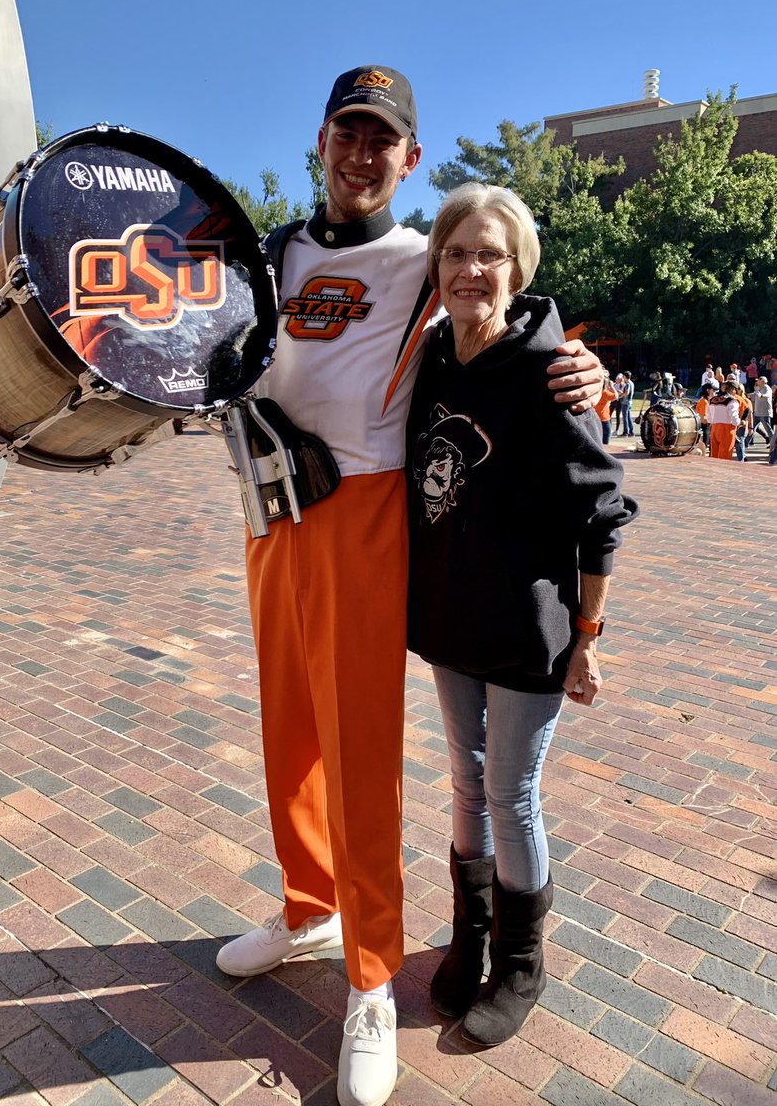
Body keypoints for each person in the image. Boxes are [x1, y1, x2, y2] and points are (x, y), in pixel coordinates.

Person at [213, 67, 603, 1106]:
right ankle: (310, 904)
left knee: (360, 747)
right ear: (325, 141)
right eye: (348, 132)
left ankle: (373, 977)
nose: (361, 152)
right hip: (272, 512)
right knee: (287, 725)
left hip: (368, 514)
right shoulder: (276, 252)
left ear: (408, 158)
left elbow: (508, 295)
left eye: (382, 139)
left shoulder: (421, 261)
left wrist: (578, 363)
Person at [406, 183, 636, 1049]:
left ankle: (522, 963)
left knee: (510, 793)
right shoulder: (428, 359)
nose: (471, 269)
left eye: (489, 254)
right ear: (437, 268)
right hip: (450, 620)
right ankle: (469, 940)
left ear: (517, 268)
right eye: (457, 252)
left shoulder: (551, 371)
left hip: (527, 627)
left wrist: (587, 638)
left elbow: (604, 511)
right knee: (466, 784)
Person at [708, 382, 740, 459]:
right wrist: (740, 422)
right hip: (727, 429)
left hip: (714, 428)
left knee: (714, 454)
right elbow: (734, 419)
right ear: (732, 389)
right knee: (725, 455)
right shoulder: (732, 401)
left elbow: (709, 418)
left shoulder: (712, 400)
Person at [750, 376, 774, 447]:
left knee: (769, 430)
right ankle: (745, 443)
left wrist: (761, 395)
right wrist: (745, 395)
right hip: (757, 413)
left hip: (764, 413)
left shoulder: (767, 388)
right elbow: (753, 394)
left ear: (763, 381)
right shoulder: (758, 388)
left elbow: (767, 395)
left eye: (758, 381)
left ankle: (774, 443)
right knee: (751, 428)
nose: (757, 382)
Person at [594, 373, 618, 443]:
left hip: (596, 418)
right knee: (605, 440)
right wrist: (612, 386)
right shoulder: (605, 393)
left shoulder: (595, 392)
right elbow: (616, 396)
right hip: (604, 419)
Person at [695, 384, 716, 453]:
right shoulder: (704, 402)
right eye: (713, 390)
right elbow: (703, 418)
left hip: (706, 427)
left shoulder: (706, 401)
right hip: (704, 427)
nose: (714, 392)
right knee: (703, 447)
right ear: (708, 390)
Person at [620, 370, 635, 437]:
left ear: (625, 376)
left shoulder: (627, 384)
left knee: (625, 417)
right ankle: (631, 431)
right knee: (629, 417)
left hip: (625, 402)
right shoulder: (632, 383)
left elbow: (627, 392)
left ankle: (625, 432)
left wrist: (621, 395)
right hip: (630, 401)